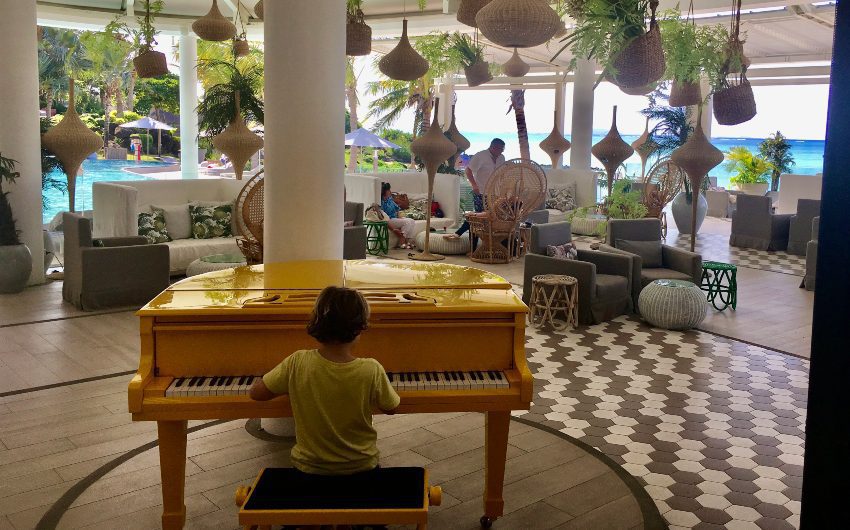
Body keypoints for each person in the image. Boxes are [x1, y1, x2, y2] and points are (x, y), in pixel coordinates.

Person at [250, 286, 400, 475]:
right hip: (362, 467)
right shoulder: (371, 369)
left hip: (307, 469)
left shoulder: (297, 361)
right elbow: (391, 408)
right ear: (361, 327)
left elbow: (256, 394)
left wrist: (291, 384)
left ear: (317, 323)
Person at [445, 138, 506, 241]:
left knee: (482, 217)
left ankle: (459, 234)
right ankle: (461, 237)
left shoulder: (501, 158)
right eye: (500, 149)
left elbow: (501, 173)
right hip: (481, 191)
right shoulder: (481, 156)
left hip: (495, 193)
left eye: (503, 150)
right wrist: (474, 186)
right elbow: (468, 170)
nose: (502, 152)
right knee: (478, 217)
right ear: (493, 147)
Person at [380, 182, 417, 250]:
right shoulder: (380, 202)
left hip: (394, 218)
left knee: (411, 221)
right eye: (388, 190)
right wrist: (393, 229)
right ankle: (401, 241)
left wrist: (400, 218)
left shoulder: (390, 199)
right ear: (384, 192)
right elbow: (382, 217)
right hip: (389, 220)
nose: (390, 191)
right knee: (407, 222)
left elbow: (396, 209)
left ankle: (407, 242)